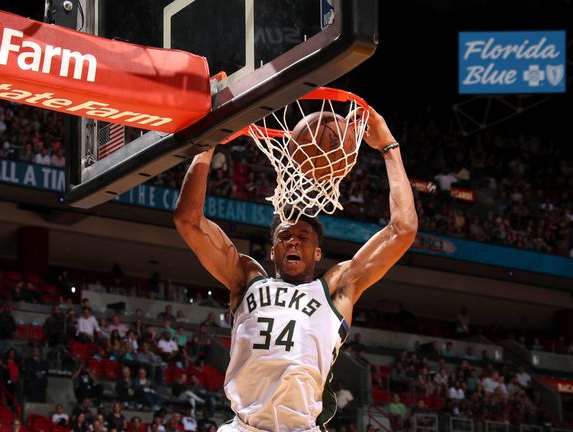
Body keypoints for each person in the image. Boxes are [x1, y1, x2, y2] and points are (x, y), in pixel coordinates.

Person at [174, 106, 418, 430]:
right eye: (284, 237)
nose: (292, 242)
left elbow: (403, 229)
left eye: (302, 238)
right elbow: (187, 221)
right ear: (272, 249)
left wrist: (389, 147)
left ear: (317, 253)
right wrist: (209, 142)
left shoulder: (335, 289)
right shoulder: (246, 278)